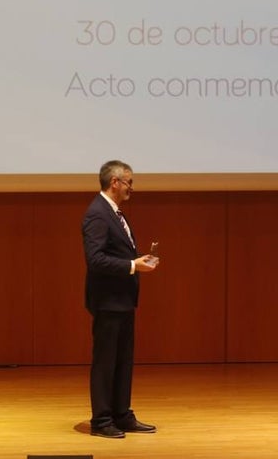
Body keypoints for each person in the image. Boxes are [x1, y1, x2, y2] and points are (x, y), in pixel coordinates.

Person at [82, 160, 160, 439]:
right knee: (105, 361)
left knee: (123, 360)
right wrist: (132, 266)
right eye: (129, 182)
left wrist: (137, 262)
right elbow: (95, 260)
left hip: (122, 300)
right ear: (115, 182)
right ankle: (101, 420)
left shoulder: (114, 213)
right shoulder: (98, 214)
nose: (131, 188)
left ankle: (121, 414)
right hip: (107, 301)